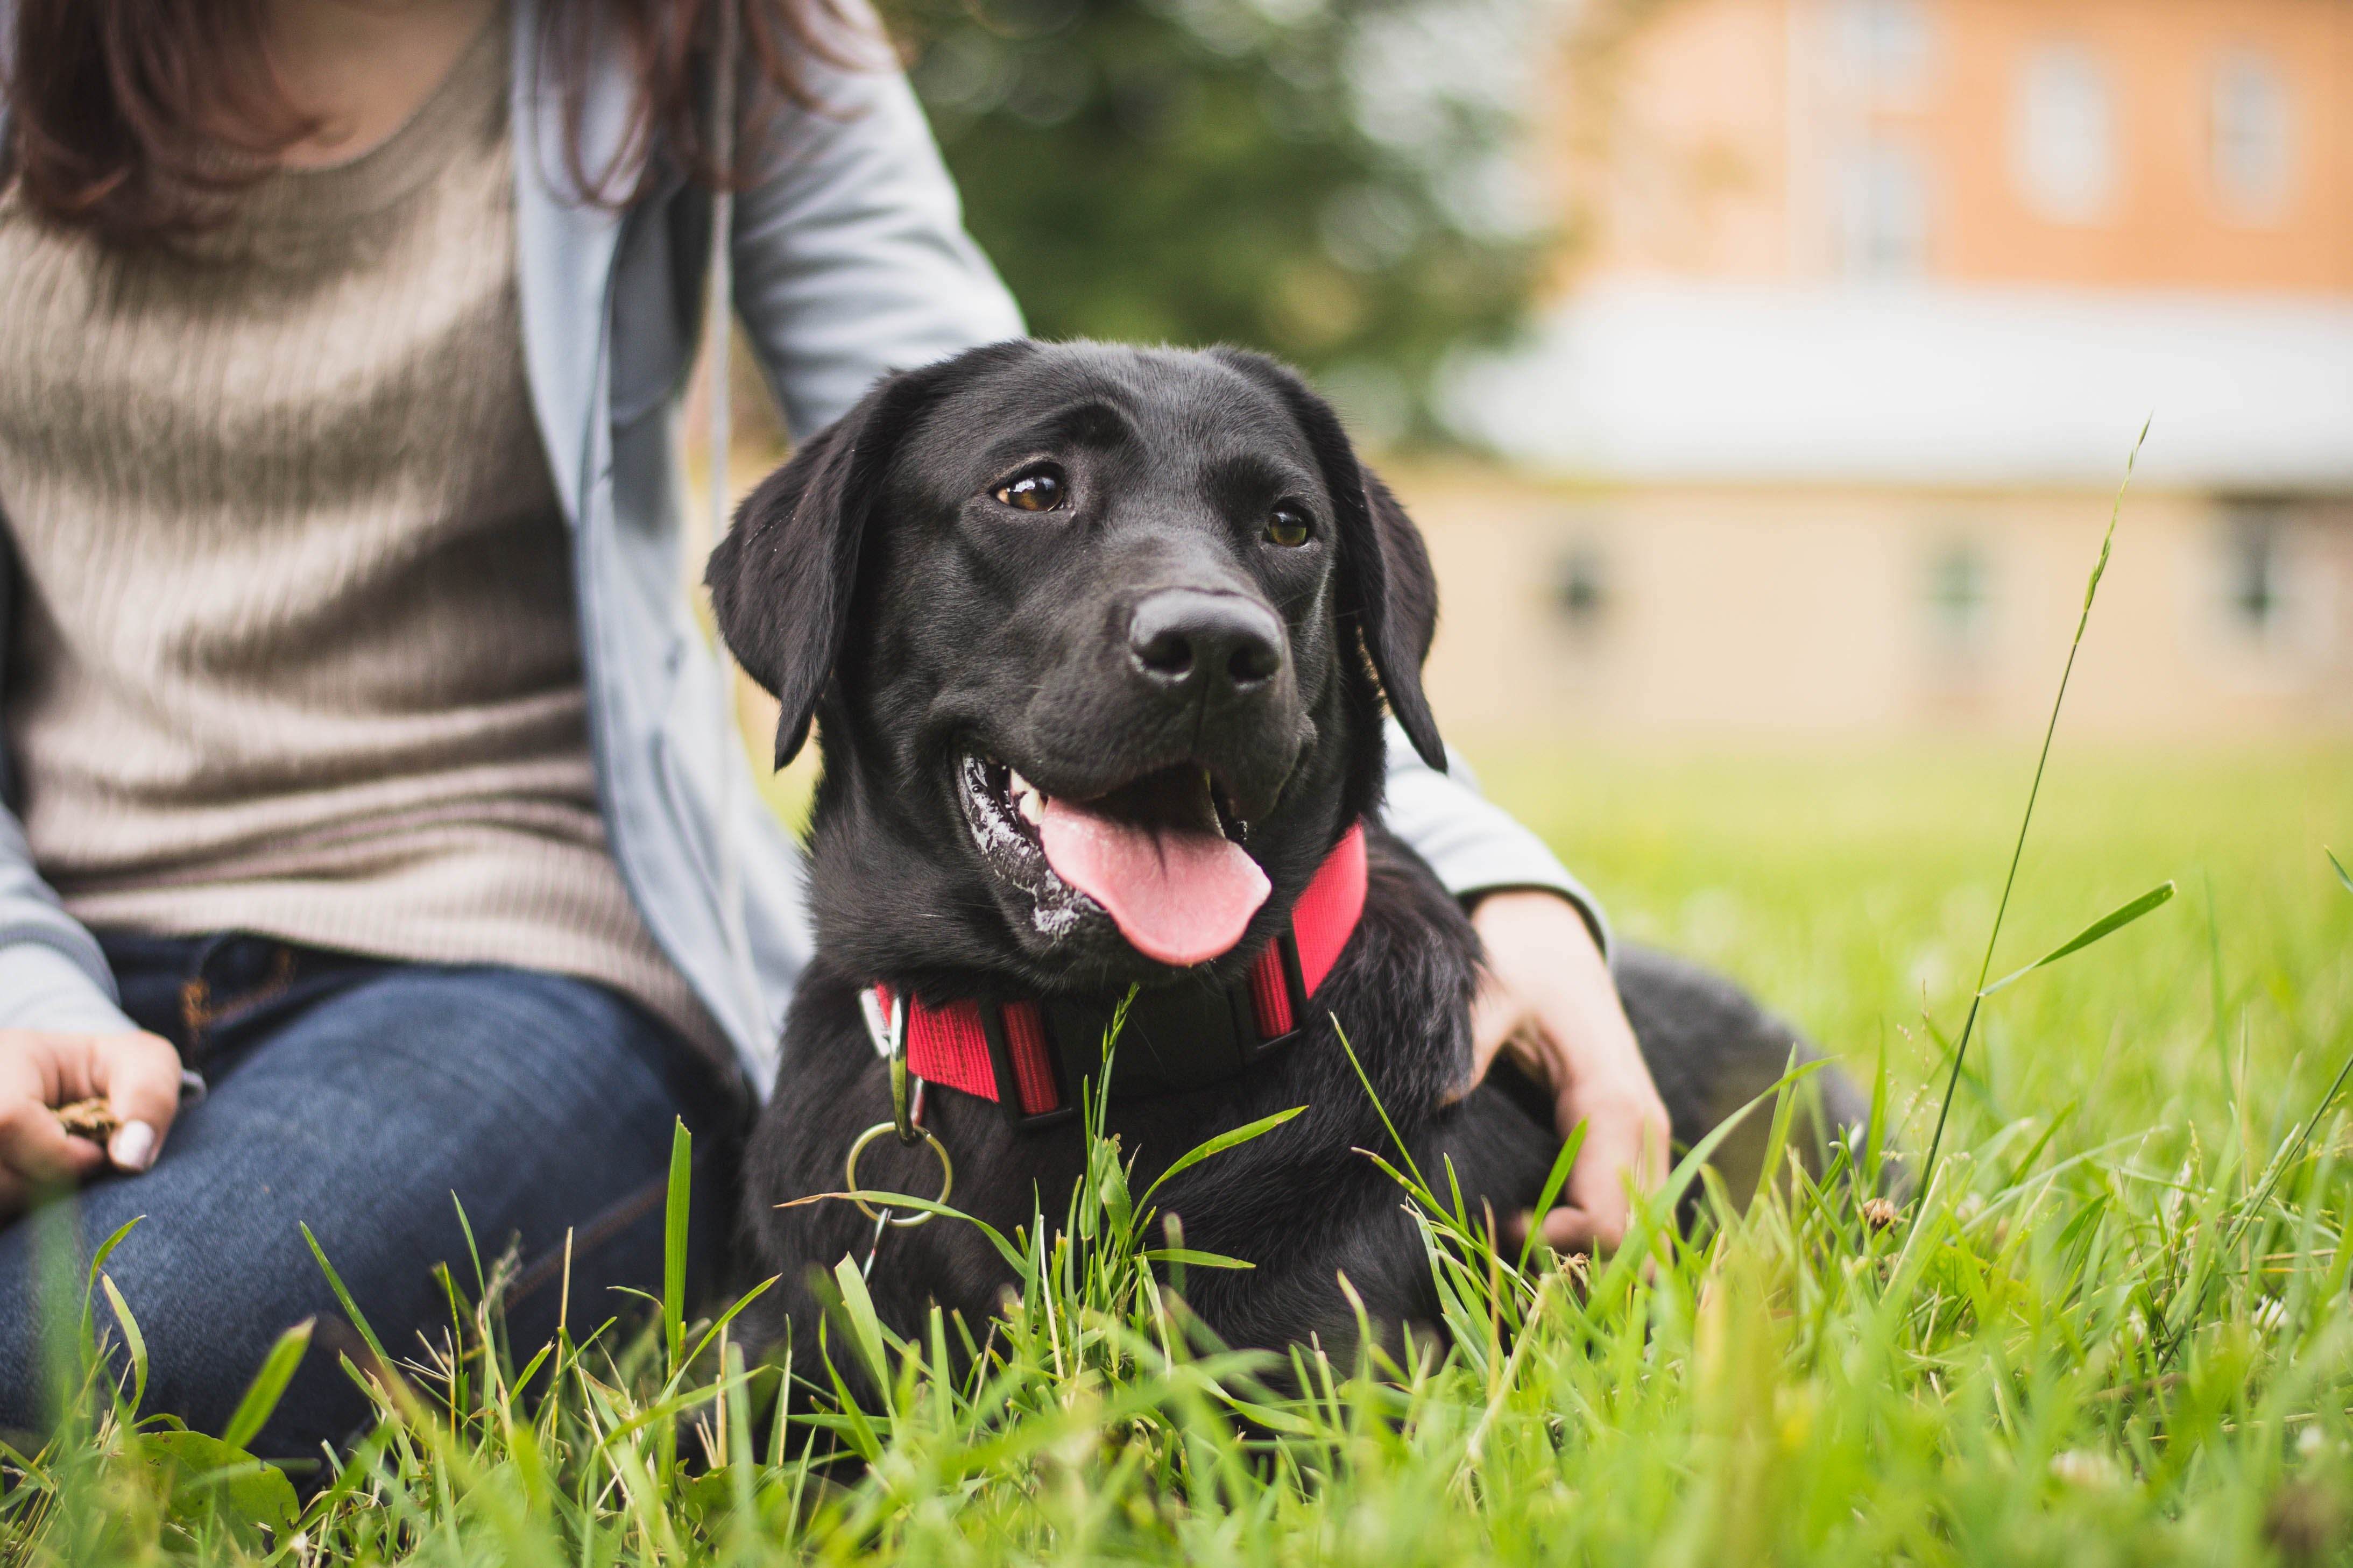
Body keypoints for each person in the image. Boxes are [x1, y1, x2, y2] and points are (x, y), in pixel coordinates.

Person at [0, 0, 1669, 1454]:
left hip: (506, 942)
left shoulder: (724, 23)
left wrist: (1502, 886)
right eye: (1042, 494)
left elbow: (973, 406)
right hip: (50, 925)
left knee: (83, 1358)